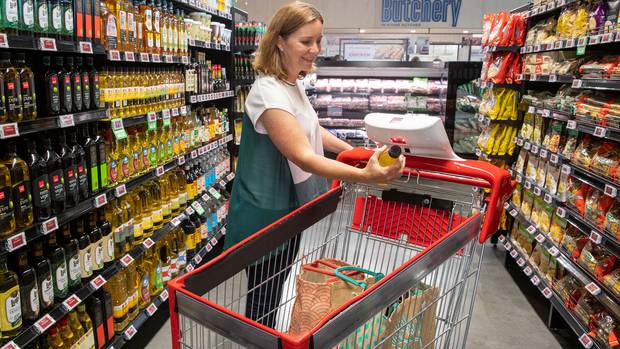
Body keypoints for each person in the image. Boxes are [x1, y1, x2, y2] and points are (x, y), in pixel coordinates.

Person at [224, 1, 405, 328]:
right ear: (279, 41)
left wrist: (355, 151)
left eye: (318, 40)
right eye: (306, 41)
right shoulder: (268, 91)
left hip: (287, 207)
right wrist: (364, 173)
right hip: (266, 213)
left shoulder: (292, 84)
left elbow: (311, 128)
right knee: (264, 295)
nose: (315, 49)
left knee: (274, 288)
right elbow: (302, 155)